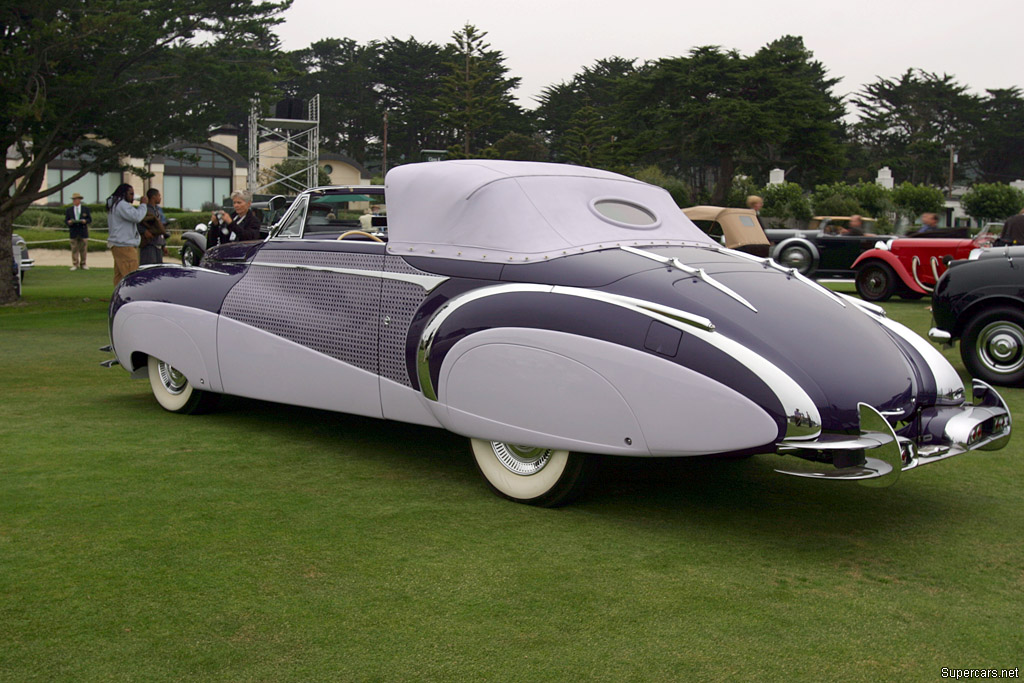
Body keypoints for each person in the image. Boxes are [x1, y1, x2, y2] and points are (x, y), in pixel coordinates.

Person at [106, 183, 149, 286]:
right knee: (131, 274)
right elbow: (136, 216)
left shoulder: (115, 204)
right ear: (124, 193)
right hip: (124, 245)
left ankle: (119, 297)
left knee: (120, 276)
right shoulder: (121, 205)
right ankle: (131, 297)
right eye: (131, 194)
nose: (133, 197)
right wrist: (143, 205)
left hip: (117, 244)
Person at [139, 188, 168, 265]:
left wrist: (163, 244)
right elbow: (137, 222)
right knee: (149, 267)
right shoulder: (145, 210)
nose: (160, 198)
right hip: (149, 244)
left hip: (158, 244)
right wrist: (144, 231)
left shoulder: (158, 210)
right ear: (153, 197)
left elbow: (160, 228)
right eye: (159, 195)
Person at [64, 192, 92, 270]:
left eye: (76, 199)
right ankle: (75, 264)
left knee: (83, 249)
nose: (75, 201)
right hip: (73, 231)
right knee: (74, 249)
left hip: (83, 231)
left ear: (79, 200)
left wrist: (85, 221)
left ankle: (83, 264)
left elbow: (89, 219)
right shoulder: (69, 210)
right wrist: (69, 222)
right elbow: (66, 220)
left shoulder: (85, 209)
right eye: (73, 199)